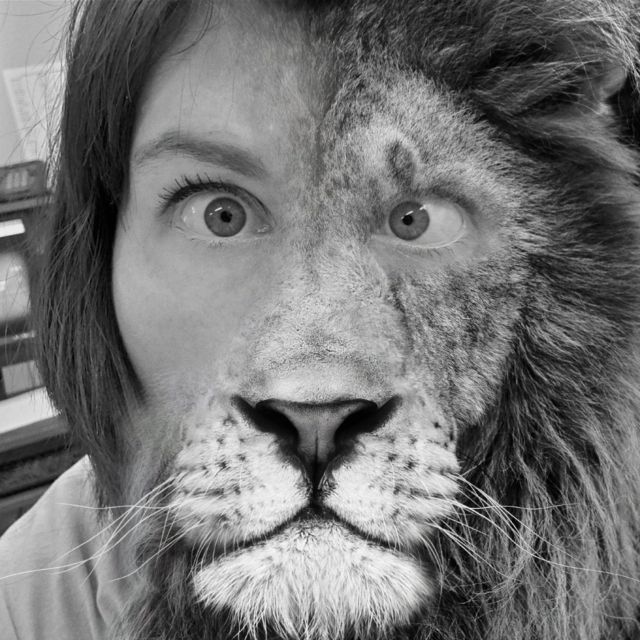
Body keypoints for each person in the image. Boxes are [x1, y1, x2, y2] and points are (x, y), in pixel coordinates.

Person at [3, 0, 640, 639]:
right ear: (97, 258)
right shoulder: (24, 599)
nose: (315, 393)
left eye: (413, 221)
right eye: (221, 214)